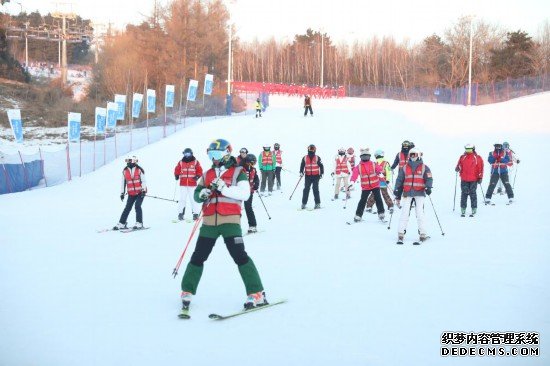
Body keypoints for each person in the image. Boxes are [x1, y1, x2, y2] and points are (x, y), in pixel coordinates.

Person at [179, 139, 267, 313]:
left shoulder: (238, 172)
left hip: (230, 222)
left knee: (240, 256)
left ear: (227, 153)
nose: (214, 158)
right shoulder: (207, 174)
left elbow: (245, 194)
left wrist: (224, 188)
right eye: (211, 155)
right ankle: (187, 290)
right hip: (209, 222)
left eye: (217, 154)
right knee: (198, 256)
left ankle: (257, 292)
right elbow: (197, 194)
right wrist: (201, 194)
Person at [393, 148, 433, 244]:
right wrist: (397, 189)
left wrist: (428, 187)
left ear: (418, 155)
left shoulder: (424, 167)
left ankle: (422, 234)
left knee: (419, 213)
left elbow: (429, 178)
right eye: (410, 155)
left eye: (414, 155)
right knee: (404, 213)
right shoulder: (405, 167)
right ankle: (400, 233)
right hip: (407, 193)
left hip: (419, 193)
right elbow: (400, 179)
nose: (412, 157)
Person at [349, 148, 385, 222]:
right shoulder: (358, 166)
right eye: (363, 156)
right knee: (363, 200)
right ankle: (358, 215)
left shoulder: (373, 164)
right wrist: (352, 182)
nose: (365, 158)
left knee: (378, 199)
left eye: (366, 156)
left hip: (375, 185)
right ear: (361, 157)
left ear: (369, 156)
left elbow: (379, 170)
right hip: (365, 187)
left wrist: (381, 174)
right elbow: (354, 175)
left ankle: (381, 213)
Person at [113, 156, 147, 230]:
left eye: (129, 160)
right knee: (127, 208)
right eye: (127, 161)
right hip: (131, 193)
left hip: (140, 193)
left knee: (137, 206)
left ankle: (139, 223)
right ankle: (122, 223)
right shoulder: (125, 171)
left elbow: (143, 181)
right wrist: (122, 193)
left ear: (134, 161)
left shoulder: (139, 170)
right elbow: (123, 183)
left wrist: (143, 190)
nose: (128, 162)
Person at [174, 148, 203, 221]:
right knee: (182, 199)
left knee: (193, 199)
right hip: (183, 184)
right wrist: (176, 175)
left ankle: (195, 214)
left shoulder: (195, 162)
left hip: (192, 184)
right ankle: (180, 214)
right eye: (185, 154)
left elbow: (200, 170)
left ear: (191, 153)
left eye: (188, 154)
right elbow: (177, 169)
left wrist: (197, 176)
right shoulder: (181, 162)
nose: (187, 156)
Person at [455, 143, 483, 217]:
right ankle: (463, 208)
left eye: (469, 149)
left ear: (473, 149)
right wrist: (457, 168)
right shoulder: (462, 157)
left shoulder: (477, 157)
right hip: (464, 178)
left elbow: (480, 168)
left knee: (472, 193)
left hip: (474, 179)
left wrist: (480, 177)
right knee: (464, 193)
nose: (468, 151)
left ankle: (474, 208)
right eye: (466, 149)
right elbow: (459, 165)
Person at [366, 149, 394, 214]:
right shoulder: (386, 163)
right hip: (383, 182)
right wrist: (388, 180)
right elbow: (389, 172)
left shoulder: (374, 163)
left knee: (374, 194)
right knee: (385, 194)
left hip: (376, 182)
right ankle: (390, 206)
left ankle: (369, 206)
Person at [300, 144, 324, 209]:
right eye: (310, 148)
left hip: (316, 176)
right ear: (308, 149)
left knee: (315, 189)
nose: (311, 150)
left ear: (315, 149)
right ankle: (303, 204)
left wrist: (322, 173)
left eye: (313, 149)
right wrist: (301, 172)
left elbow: (321, 166)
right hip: (307, 176)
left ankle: (317, 204)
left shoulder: (317, 157)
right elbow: (302, 165)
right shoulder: (305, 157)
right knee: (306, 189)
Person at [243, 154, 260, 233]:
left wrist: (256, 185)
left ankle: (252, 225)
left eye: (254, 163)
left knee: (248, 208)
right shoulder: (241, 169)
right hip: (239, 191)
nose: (253, 165)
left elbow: (256, 178)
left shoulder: (253, 169)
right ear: (247, 162)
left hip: (249, 192)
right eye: (252, 163)